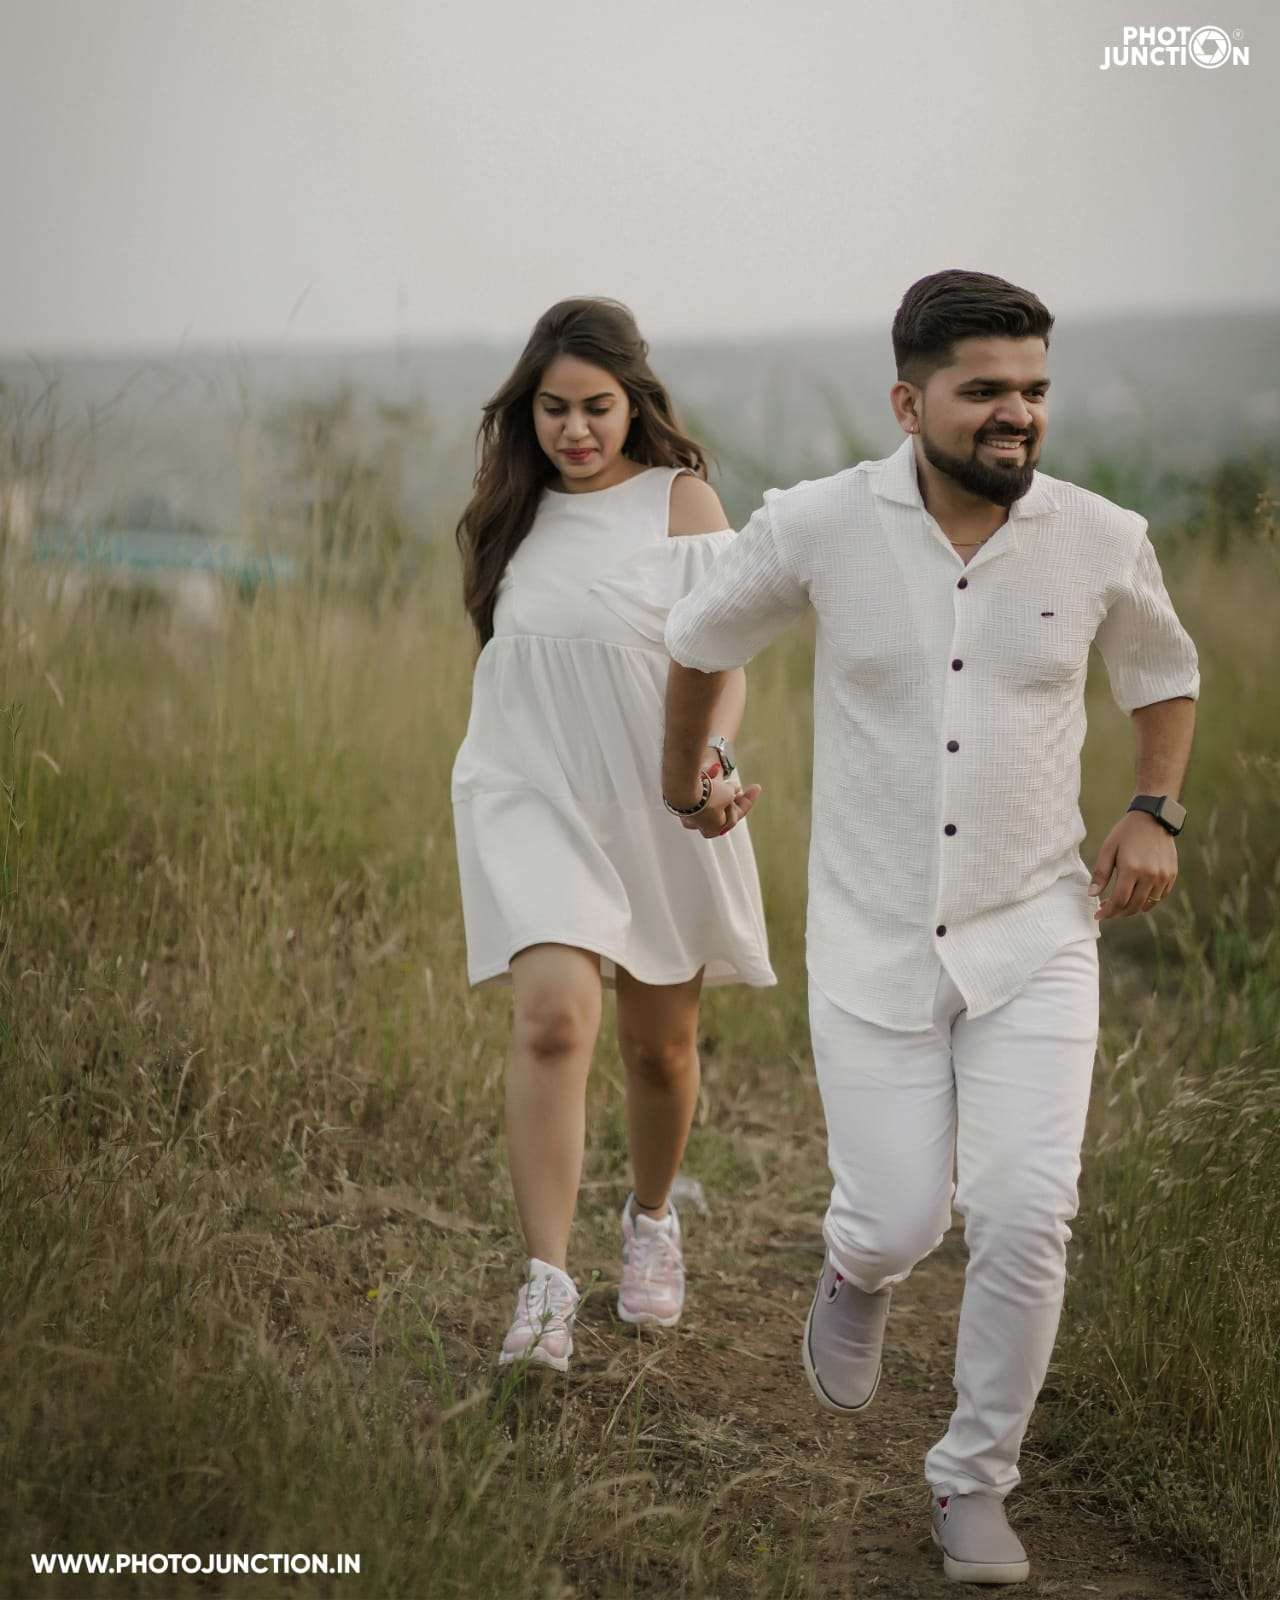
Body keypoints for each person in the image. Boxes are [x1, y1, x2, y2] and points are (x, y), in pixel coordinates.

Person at [660, 270, 1199, 1586]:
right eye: (984, 391)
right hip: (872, 933)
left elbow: (1162, 671)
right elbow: (699, 637)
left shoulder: (1098, 535)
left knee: (1025, 1212)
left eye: (1034, 390)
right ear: (908, 403)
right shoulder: (819, 524)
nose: (1017, 414)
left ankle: (973, 1481)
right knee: (901, 1217)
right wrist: (688, 781)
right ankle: (857, 1271)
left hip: (1036, 928)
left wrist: (1154, 811)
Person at [451, 297, 775, 1375]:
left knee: (659, 1048)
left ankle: (651, 1217)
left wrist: (708, 766)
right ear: (527, 409)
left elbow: (721, 665)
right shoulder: (511, 508)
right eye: (554, 408)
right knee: (553, 1021)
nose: (575, 429)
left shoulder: (680, 501)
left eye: (596, 406)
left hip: (656, 796)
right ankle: (545, 1285)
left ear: (634, 402)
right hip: (530, 790)